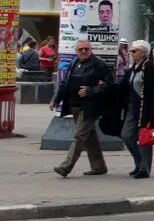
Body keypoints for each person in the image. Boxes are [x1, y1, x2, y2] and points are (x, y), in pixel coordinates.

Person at [49, 39, 114, 177]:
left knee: (79, 136)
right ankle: (99, 167)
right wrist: (56, 99)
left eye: (86, 49)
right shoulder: (74, 63)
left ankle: (65, 167)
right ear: (76, 51)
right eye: (81, 49)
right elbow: (64, 83)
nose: (84, 51)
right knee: (90, 137)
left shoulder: (99, 64)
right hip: (74, 105)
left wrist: (90, 90)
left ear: (91, 50)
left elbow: (110, 85)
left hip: (90, 107)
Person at [121, 40, 154, 179]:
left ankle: (144, 169)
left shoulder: (150, 68)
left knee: (145, 138)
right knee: (126, 135)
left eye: (134, 51)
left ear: (143, 53)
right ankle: (139, 161)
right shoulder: (133, 68)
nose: (132, 53)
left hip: (146, 109)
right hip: (132, 108)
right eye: (131, 51)